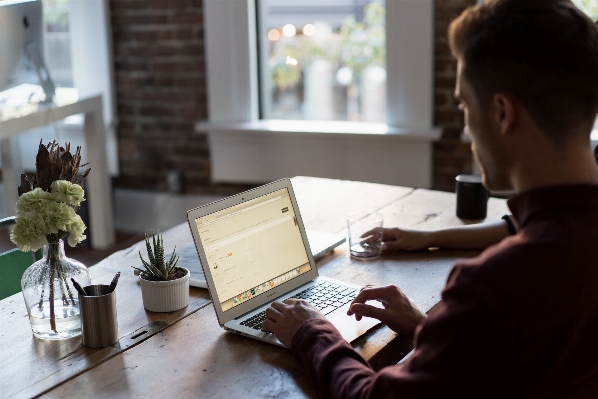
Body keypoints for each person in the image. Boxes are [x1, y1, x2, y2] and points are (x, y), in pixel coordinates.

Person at [262, 0, 598, 397]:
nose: (467, 127)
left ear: (503, 113)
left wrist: (311, 332)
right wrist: (434, 330)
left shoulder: (497, 285)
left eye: (464, 104)